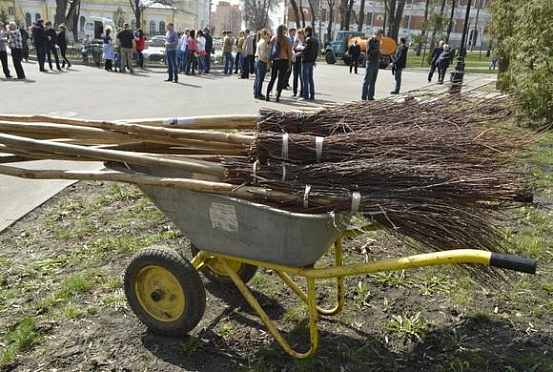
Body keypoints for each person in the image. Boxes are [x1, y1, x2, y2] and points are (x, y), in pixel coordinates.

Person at [266, 25, 292, 102]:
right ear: (283, 30)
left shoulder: (274, 38)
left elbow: (269, 51)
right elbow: (289, 53)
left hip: (275, 61)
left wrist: (269, 61)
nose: (286, 31)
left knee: (273, 78)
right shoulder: (287, 39)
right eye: (285, 30)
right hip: (284, 60)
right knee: (281, 79)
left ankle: (267, 94)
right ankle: (277, 96)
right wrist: (289, 63)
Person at [361, 29, 383, 101]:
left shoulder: (378, 42)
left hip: (376, 62)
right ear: (376, 34)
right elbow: (369, 52)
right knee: (367, 80)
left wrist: (381, 54)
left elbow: (377, 52)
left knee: (373, 81)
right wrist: (378, 51)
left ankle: (370, 96)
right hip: (370, 62)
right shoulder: (370, 41)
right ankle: (364, 97)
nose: (380, 38)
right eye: (380, 36)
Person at [301, 25, 319, 101]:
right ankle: (312, 95)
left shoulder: (308, 39)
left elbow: (306, 50)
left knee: (305, 79)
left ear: (307, 32)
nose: (304, 33)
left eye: (304, 32)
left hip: (306, 61)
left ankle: (306, 96)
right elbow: (316, 51)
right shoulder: (315, 40)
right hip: (312, 61)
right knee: (311, 79)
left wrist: (301, 48)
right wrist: (314, 60)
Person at [254, 28, 270, 100]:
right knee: (260, 79)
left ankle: (256, 92)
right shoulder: (264, 42)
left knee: (257, 78)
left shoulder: (260, 41)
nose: (268, 36)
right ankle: (258, 94)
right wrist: (267, 61)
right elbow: (264, 54)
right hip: (262, 61)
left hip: (257, 60)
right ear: (263, 34)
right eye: (267, 34)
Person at [291, 28, 305, 97]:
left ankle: (302, 92)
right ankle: (294, 91)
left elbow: (305, 51)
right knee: (295, 76)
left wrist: (300, 53)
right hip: (295, 61)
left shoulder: (305, 42)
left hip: (301, 61)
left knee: (301, 77)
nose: (299, 36)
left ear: (303, 34)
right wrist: (293, 52)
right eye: (298, 34)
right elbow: (293, 49)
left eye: (300, 34)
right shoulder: (296, 42)